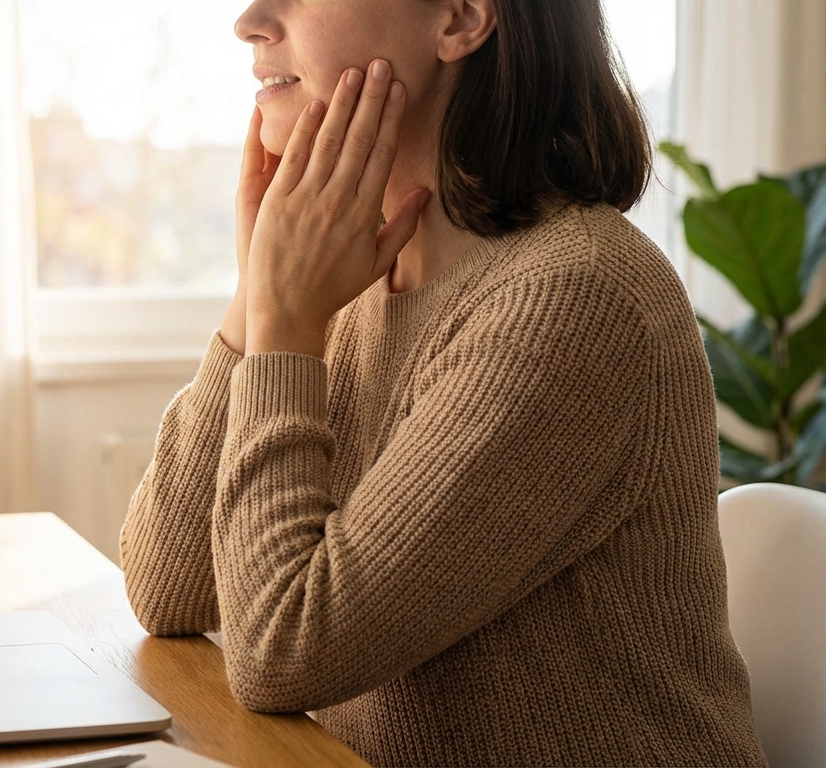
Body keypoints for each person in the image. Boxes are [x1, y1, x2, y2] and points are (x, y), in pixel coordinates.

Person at [118, 0, 766, 765]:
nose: (250, 19)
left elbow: (282, 652)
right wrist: (260, 295)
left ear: (459, 19)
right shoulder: (347, 278)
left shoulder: (576, 296)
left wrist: (284, 321)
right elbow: (167, 589)